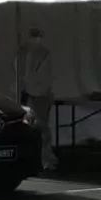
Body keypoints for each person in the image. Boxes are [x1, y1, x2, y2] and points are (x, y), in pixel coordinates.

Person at [17, 28, 59, 171]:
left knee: (41, 126)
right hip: (29, 93)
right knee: (30, 126)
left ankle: (45, 158)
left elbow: (44, 76)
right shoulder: (23, 52)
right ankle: (36, 157)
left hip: (39, 94)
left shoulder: (42, 53)